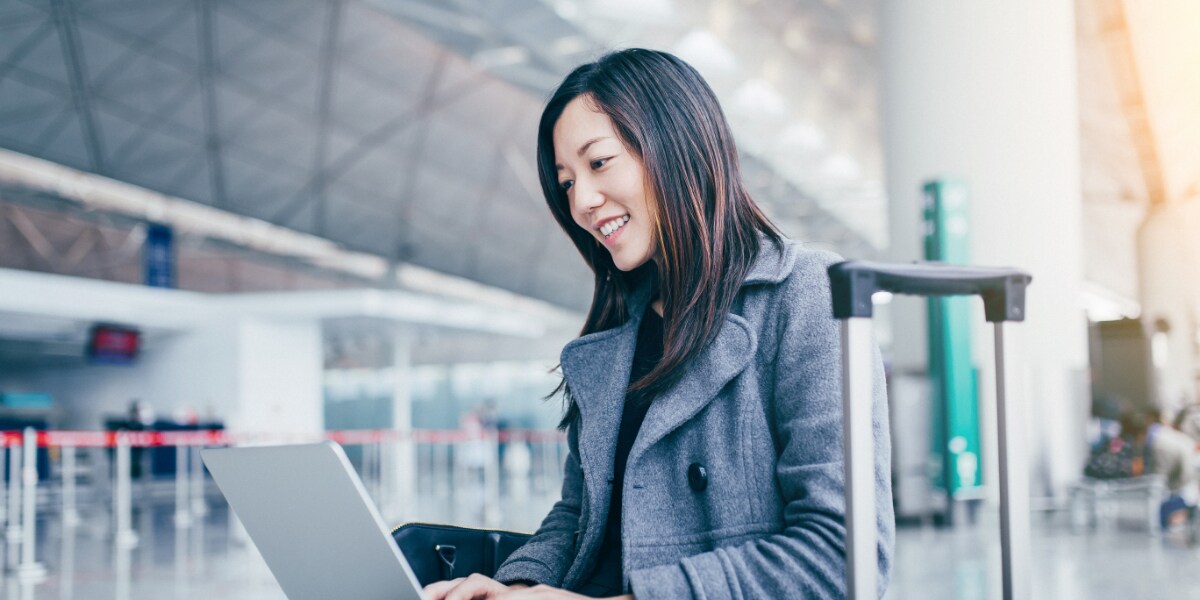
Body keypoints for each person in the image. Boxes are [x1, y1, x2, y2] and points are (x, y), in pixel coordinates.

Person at [425, 48, 894, 600]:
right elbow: (581, 517)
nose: (582, 202)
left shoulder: (807, 294)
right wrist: (517, 587)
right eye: (567, 182)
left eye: (598, 163)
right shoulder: (616, 330)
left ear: (677, 147)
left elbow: (841, 556)